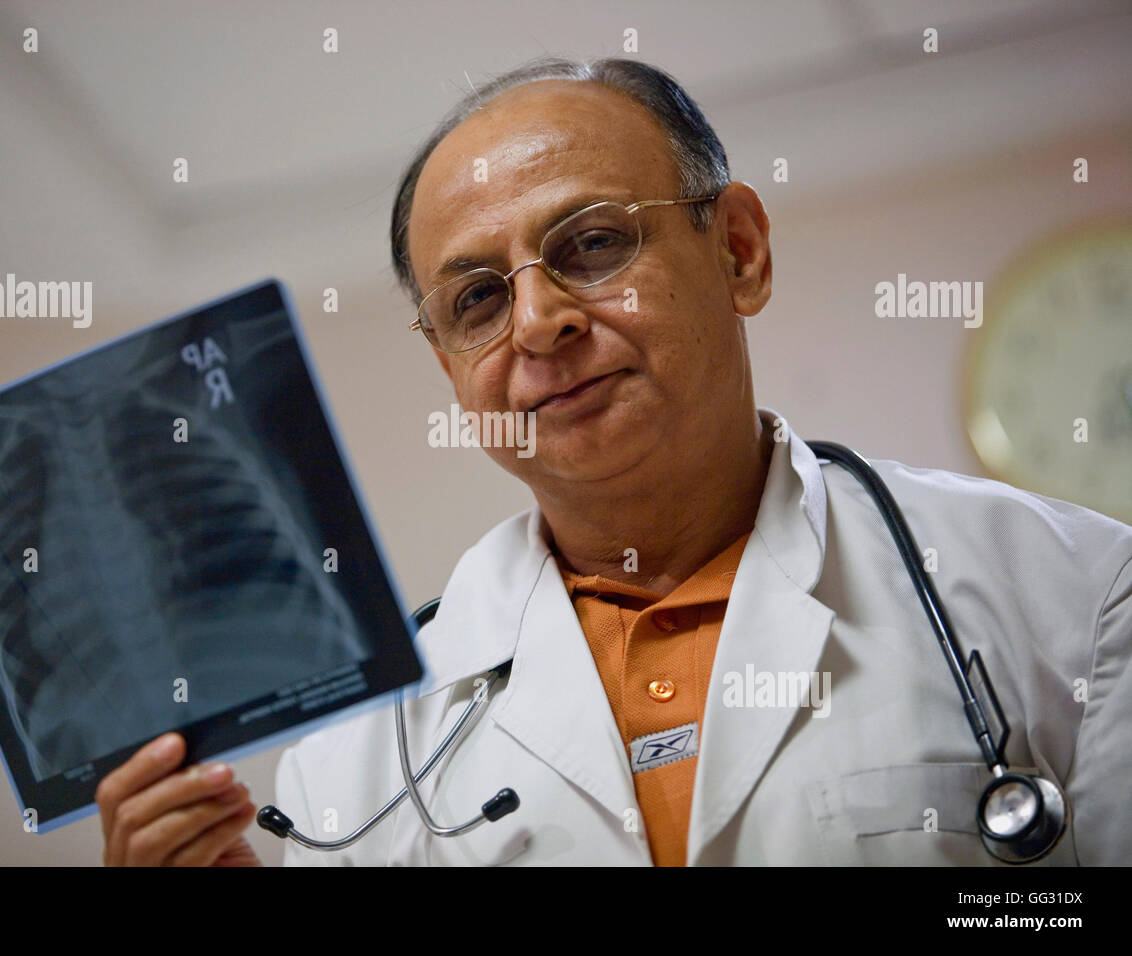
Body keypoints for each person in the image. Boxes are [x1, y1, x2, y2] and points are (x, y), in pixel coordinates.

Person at [97, 57, 1132, 866]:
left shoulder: (1069, 594)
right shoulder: (355, 757)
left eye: (592, 244)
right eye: (476, 300)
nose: (539, 323)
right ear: (449, 366)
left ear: (738, 250)